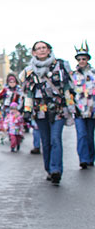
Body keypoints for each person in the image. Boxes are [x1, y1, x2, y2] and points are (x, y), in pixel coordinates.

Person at [22, 40, 74, 185]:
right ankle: (48, 169)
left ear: (49, 50)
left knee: (55, 139)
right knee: (45, 141)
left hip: (58, 109)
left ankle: (56, 170)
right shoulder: (29, 70)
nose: (41, 50)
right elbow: (28, 93)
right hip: (40, 111)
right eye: (38, 48)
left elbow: (66, 89)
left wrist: (71, 107)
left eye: (44, 47)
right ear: (34, 52)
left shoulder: (60, 66)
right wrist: (27, 110)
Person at [71, 42, 95, 168]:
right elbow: (69, 92)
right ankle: (83, 159)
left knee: (90, 135)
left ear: (88, 59)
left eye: (84, 59)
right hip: (79, 109)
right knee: (82, 135)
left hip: (92, 109)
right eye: (79, 59)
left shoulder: (93, 73)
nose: (81, 61)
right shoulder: (73, 75)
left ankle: (91, 157)